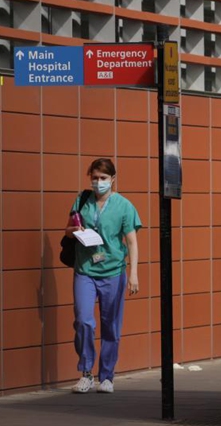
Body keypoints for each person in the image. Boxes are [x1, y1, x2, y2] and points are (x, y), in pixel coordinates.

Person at [64, 158, 142, 394]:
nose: (98, 182)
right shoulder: (82, 199)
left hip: (113, 272)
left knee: (111, 326)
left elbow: (131, 241)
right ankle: (86, 373)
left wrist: (134, 273)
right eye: (95, 178)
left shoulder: (124, 206)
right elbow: (67, 231)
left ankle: (106, 376)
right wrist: (73, 231)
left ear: (113, 179)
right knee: (84, 320)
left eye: (103, 178)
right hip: (85, 269)